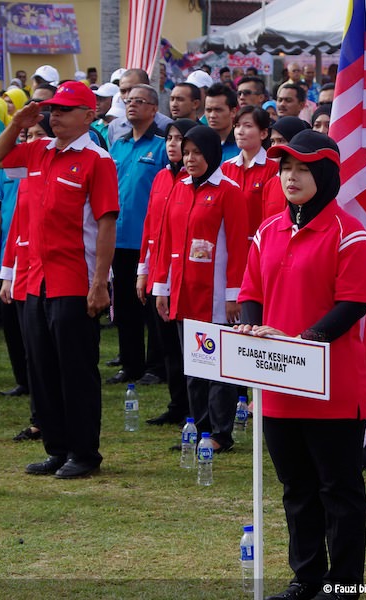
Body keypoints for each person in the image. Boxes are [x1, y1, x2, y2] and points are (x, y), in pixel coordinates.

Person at [237, 129, 366, 600]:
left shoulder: (350, 234)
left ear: (327, 175)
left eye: (302, 169)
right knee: (295, 486)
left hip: (332, 385)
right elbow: (252, 292)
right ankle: (307, 576)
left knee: (338, 489)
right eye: (285, 168)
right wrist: (254, 328)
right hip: (277, 384)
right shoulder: (267, 230)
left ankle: (344, 584)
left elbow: (353, 303)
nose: (290, 177)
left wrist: (300, 342)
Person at [0, 82, 119, 478]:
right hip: (35, 278)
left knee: (75, 370)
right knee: (42, 369)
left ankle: (84, 453)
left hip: (74, 279)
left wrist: (100, 283)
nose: (55, 115)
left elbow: (106, 224)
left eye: (65, 109)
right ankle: (57, 448)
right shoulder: (40, 150)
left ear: (89, 115)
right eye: (53, 109)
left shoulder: (97, 160)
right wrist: (17, 123)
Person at [153, 125, 247, 453]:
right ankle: (199, 426)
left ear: (212, 154)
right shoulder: (178, 188)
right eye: (186, 152)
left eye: (197, 153)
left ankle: (220, 433)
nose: (190, 159)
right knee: (193, 365)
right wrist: (161, 287)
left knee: (217, 368)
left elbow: (238, 246)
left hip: (216, 296)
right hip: (184, 292)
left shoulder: (229, 191)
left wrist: (234, 294)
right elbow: (166, 240)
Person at [0, 114, 55, 437]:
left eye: (38, 135)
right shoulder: (26, 178)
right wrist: (8, 274)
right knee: (33, 351)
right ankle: (39, 418)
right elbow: (16, 227)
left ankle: (53, 418)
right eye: (28, 136)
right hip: (25, 274)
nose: (32, 141)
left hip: (54, 275)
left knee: (50, 352)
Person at [108, 84, 168, 385]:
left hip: (148, 240)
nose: (132, 105)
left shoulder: (161, 146)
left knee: (151, 307)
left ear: (154, 109)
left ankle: (156, 367)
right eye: (129, 100)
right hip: (118, 238)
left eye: (140, 101)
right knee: (124, 306)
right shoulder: (117, 145)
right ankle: (131, 364)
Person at [139, 118, 197, 426]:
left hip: (186, 274)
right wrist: (143, 271)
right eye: (169, 138)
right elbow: (150, 225)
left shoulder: (195, 179)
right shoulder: (161, 176)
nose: (173, 144)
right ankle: (177, 404)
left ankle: (194, 407)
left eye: (179, 139)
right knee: (167, 345)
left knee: (189, 346)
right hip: (159, 273)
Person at [220, 106, 277, 241]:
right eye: (237, 126)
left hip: (259, 241)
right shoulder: (226, 167)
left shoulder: (273, 169)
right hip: (229, 241)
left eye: (248, 126)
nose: (240, 131)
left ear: (263, 133)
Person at [260, 117, 312, 220]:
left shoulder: (311, 182)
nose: (275, 146)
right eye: (272, 141)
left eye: (281, 140)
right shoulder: (270, 185)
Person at [203, 83, 240, 162]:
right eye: (208, 110)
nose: (212, 115)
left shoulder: (242, 145)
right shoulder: (199, 143)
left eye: (218, 110)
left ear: (233, 112)